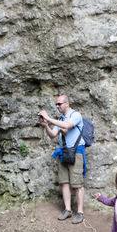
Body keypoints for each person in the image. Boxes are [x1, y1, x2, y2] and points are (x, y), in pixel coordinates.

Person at [38, 95, 86, 224]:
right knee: (64, 182)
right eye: (56, 104)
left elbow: (67, 125)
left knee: (77, 184)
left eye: (59, 104)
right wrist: (46, 125)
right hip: (63, 152)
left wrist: (48, 118)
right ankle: (68, 210)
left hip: (76, 152)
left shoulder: (75, 115)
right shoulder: (60, 119)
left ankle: (80, 212)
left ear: (67, 103)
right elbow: (53, 135)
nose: (57, 106)